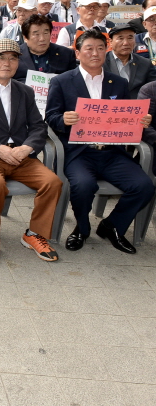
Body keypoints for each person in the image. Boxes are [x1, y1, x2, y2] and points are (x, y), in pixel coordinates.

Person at [45, 28, 155, 253]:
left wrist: (140, 120)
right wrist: (63, 119)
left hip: (112, 153)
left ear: (107, 50)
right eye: (89, 49)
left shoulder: (118, 83)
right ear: (78, 53)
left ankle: (112, 226)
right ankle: (82, 229)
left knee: (143, 186)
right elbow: (51, 117)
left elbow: (125, 117)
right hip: (79, 153)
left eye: (100, 48)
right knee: (83, 185)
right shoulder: (62, 81)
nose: (95, 53)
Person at [0, 38, 62, 265]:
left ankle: (34, 234)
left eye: (13, 58)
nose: (7, 63)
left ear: (18, 62)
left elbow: (38, 126)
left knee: (53, 182)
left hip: (22, 157)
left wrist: (27, 147)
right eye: (1, 57)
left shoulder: (25, 91)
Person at [14, 14, 77, 81]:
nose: (42, 39)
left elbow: (72, 83)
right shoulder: (15, 54)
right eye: (36, 34)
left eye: (46, 33)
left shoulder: (66, 54)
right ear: (25, 38)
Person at [103, 23, 156, 98]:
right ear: (110, 42)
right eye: (120, 38)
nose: (126, 43)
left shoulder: (145, 63)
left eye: (130, 38)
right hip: (109, 107)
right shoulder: (101, 62)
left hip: (137, 107)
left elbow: (153, 89)